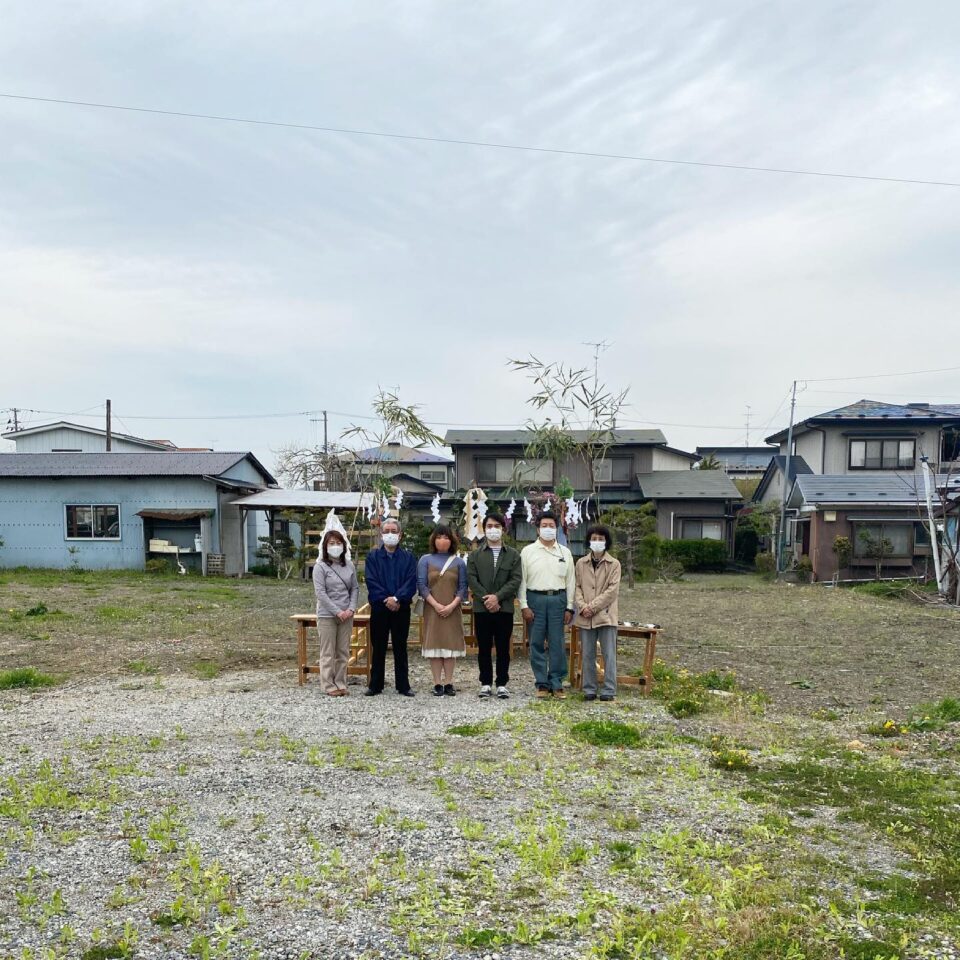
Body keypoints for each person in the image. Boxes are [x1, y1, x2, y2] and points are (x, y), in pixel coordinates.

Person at [518, 513, 576, 698]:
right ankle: (542, 683)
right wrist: (524, 605)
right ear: (537, 529)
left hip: (558, 599)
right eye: (544, 525)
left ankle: (557, 682)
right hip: (535, 599)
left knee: (557, 641)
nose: (548, 529)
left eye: (551, 525)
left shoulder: (565, 552)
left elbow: (571, 581)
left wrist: (570, 607)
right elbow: (522, 580)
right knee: (536, 641)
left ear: (556, 528)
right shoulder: (527, 552)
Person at [467, 512, 522, 699]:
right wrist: (487, 599)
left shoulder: (513, 555)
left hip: (504, 608)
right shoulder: (475, 555)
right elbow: (472, 579)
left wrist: (497, 598)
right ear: (484, 529)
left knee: (503, 647)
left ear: (503, 529)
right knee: (483, 646)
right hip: (482, 608)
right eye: (489, 526)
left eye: (497, 526)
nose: (493, 530)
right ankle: (485, 683)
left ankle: (502, 683)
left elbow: (515, 580)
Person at [363, 517, 417, 697]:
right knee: (378, 646)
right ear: (381, 534)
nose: (390, 534)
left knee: (400, 646)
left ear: (400, 535)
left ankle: (403, 685)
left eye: (394, 531)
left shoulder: (408, 558)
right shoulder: (372, 557)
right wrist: (387, 599)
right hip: (380, 607)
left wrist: (397, 598)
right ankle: (375, 684)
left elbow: (411, 581)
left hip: (401, 607)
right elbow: (371, 581)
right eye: (386, 531)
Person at [418, 524, 468, 696]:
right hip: (432, 608)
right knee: (434, 644)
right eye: (439, 537)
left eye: (446, 537)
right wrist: (436, 605)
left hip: (453, 608)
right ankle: (437, 683)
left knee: (450, 645)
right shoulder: (425, 560)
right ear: (433, 539)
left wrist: (452, 605)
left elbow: (463, 587)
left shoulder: (459, 562)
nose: (442, 540)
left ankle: (449, 682)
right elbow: (422, 586)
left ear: (452, 540)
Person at [574, 524, 622, 702]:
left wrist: (592, 607)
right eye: (594, 538)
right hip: (585, 616)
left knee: (609, 654)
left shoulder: (614, 564)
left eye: (601, 539)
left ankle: (609, 688)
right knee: (587, 653)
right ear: (588, 541)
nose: (597, 541)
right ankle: (589, 688)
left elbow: (612, 591)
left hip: (606, 615)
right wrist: (582, 606)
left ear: (606, 541)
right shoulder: (581, 563)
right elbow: (576, 587)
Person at [312, 530, 359, 697]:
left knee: (343, 651)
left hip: (347, 614)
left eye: (338, 543)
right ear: (325, 546)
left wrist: (351, 609)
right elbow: (320, 593)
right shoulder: (320, 567)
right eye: (331, 543)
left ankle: (341, 682)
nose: (335, 546)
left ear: (344, 546)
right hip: (327, 615)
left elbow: (355, 588)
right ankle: (328, 684)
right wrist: (337, 611)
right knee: (327, 652)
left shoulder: (349, 565)